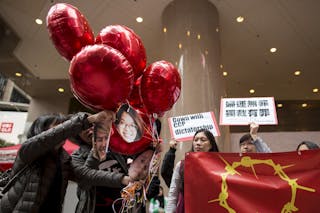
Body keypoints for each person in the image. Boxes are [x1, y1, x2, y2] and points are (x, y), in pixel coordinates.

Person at [0, 110, 121, 213]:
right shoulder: (28, 151)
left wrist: (123, 179)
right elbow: (47, 138)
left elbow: (85, 177)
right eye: (58, 127)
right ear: (42, 130)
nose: (66, 131)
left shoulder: (64, 159)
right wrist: (88, 120)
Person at [166, 129, 219, 213]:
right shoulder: (182, 165)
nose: (198, 143)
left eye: (203, 140)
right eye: (195, 140)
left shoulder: (220, 166)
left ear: (211, 145)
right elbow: (173, 195)